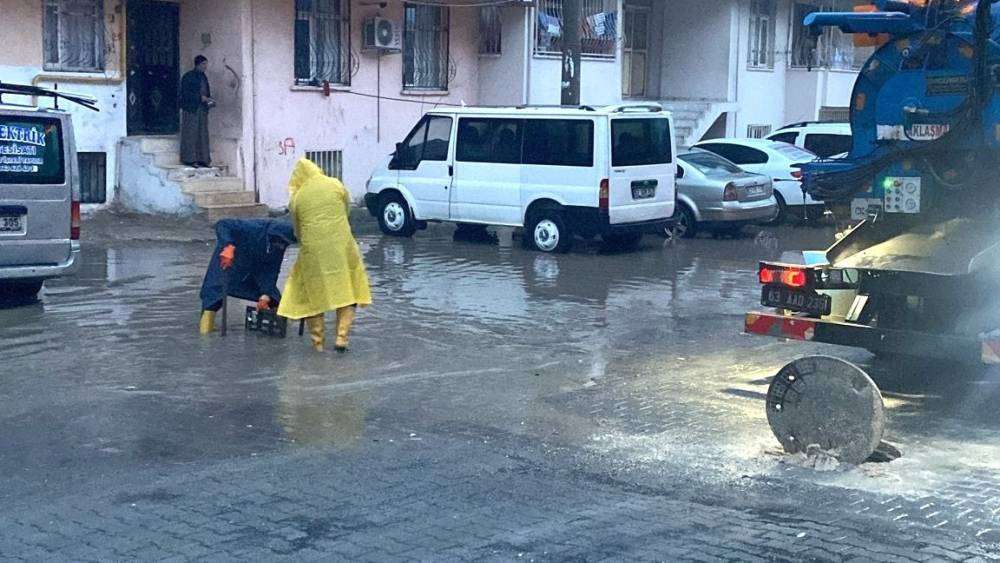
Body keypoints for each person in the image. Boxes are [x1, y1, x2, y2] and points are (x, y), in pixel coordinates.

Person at [277, 159, 372, 353]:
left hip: (313, 251)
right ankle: (341, 338)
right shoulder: (335, 184)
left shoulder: (297, 198)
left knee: (314, 296)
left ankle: (318, 343)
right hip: (342, 246)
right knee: (348, 289)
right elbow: (346, 211)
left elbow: (298, 230)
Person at [199, 219, 296, 335]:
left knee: (274, 299)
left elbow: (271, 271)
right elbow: (222, 224)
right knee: (214, 296)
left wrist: (265, 295)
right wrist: (228, 245)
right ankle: (205, 336)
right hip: (229, 260)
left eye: (284, 243)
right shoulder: (253, 227)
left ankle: (281, 328)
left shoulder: (278, 248)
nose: (280, 245)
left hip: (252, 269)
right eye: (279, 241)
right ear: (271, 236)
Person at [180, 55, 214, 167]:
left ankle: (203, 159)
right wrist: (199, 98)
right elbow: (185, 94)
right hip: (191, 109)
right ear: (198, 64)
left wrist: (208, 100)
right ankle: (189, 159)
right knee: (191, 133)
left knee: (202, 134)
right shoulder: (188, 77)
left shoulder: (203, 77)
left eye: (206, 64)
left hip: (202, 109)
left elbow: (206, 92)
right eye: (203, 64)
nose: (205, 67)